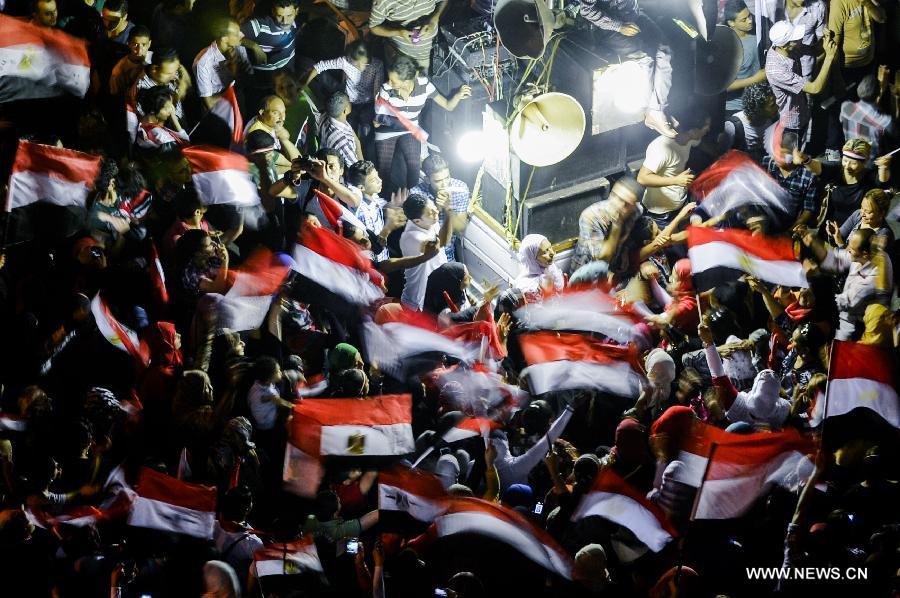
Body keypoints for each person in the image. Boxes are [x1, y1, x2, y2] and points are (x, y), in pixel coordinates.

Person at [578, 0, 675, 137]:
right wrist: (618, 26)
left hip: (635, 15)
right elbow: (586, 10)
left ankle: (656, 108)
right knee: (645, 59)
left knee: (665, 50)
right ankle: (651, 110)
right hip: (609, 26)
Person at [374, 55, 471, 192]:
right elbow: (379, 117)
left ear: (407, 81)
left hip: (411, 130)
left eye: (393, 81)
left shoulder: (424, 85)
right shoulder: (386, 89)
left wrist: (458, 95)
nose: (389, 83)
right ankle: (386, 201)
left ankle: (415, 200)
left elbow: (448, 106)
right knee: (384, 169)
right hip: (388, 129)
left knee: (414, 167)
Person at [802, 227, 893, 340]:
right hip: (845, 313)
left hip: (857, 327)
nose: (848, 249)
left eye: (852, 249)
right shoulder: (871, 252)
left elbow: (844, 302)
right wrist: (813, 242)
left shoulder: (874, 278)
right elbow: (838, 259)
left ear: (864, 254)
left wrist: (815, 290)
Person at [765, 19, 838, 141]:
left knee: (801, 150)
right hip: (789, 124)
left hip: (802, 110)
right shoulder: (776, 69)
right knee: (791, 157)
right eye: (796, 39)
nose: (801, 40)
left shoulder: (789, 47)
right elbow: (815, 88)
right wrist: (829, 57)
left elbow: (814, 50)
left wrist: (825, 39)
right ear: (784, 45)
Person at [636, 109, 709, 228]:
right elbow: (642, 178)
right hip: (660, 215)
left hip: (681, 207)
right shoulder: (661, 147)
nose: (708, 129)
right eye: (706, 126)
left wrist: (721, 153)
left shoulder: (690, 139)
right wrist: (676, 180)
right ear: (693, 131)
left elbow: (701, 144)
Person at [569, 176, 643, 274]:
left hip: (613, 272)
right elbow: (602, 259)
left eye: (626, 204)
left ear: (634, 206)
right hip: (584, 273)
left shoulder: (636, 212)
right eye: (615, 196)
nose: (618, 205)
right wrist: (617, 225)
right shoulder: (591, 216)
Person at [410, 154, 470, 261]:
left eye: (447, 178)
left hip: (447, 251)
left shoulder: (460, 189)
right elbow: (423, 232)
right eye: (438, 181)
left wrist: (448, 209)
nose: (444, 184)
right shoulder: (416, 194)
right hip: (424, 252)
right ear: (427, 180)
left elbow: (459, 228)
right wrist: (437, 207)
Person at [399, 194, 452, 310]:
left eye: (433, 207)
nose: (436, 211)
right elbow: (442, 243)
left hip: (432, 291)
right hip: (416, 303)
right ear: (417, 221)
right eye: (430, 212)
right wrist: (448, 213)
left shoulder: (430, 222)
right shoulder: (411, 237)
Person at [761, 130, 820, 229]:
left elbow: (808, 210)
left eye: (783, 154)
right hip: (763, 219)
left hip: (788, 224)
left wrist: (790, 232)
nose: (777, 157)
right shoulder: (766, 162)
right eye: (775, 152)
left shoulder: (808, 176)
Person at [192, 17, 253, 109]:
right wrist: (232, 92)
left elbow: (249, 78)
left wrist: (237, 72)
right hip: (218, 107)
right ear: (224, 39)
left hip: (238, 99)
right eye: (236, 34)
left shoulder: (239, 48)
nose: (242, 35)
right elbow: (209, 103)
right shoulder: (203, 63)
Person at [828, 0, 887, 93]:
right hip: (848, 69)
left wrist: (867, 3)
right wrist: (837, 79)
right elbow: (833, 45)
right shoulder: (838, 3)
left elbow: (882, 18)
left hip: (869, 62)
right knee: (849, 104)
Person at [369, 0, 446, 69]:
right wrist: (398, 32)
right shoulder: (382, 2)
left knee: (423, 81)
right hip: (400, 56)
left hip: (428, 54)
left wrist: (435, 18)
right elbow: (373, 27)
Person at [840, 75, 897, 163]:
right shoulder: (885, 121)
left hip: (848, 159)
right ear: (878, 92)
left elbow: (862, 116)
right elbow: (895, 134)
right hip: (870, 165)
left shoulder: (846, 106)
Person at [724, 0, 766, 115]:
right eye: (744, 19)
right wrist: (754, 80)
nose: (750, 21)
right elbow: (723, 86)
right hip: (737, 109)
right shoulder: (728, 47)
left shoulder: (757, 34)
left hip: (759, 103)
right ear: (731, 23)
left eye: (749, 16)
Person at [130, 47, 192, 122]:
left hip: (180, 118)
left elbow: (187, 82)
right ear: (154, 69)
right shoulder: (141, 90)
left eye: (175, 70)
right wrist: (177, 97)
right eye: (169, 73)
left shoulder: (169, 70)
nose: (174, 77)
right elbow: (152, 124)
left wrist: (184, 79)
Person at [722, 82, 779, 160]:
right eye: (772, 105)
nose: (777, 107)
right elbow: (722, 158)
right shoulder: (733, 127)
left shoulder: (772, 119)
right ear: (758, 109)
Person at [243, 95, 301, 162]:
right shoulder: (258, 136)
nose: (282, 117)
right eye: (275, 113)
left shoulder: (269, 123)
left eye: (283, 112)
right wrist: (284, 140)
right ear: (262, 113)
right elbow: (297, 163)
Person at [319, 91, 362, 168]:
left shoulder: (325, 115)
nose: (350, 103)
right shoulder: (343, 142)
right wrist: (358, 144)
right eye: (349, 102)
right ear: (345, 110)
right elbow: (358, 170)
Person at [109, 25, 152, 96]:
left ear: (149, 44)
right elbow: (115, 94)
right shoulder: (119, 70)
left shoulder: (154, 59)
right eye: (135, 44)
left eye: (143, 45)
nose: (139, 50)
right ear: (128, 43)